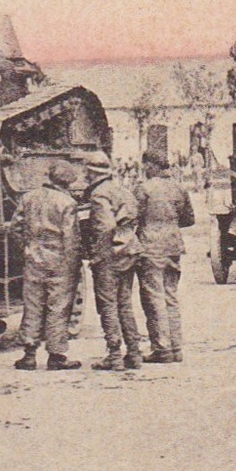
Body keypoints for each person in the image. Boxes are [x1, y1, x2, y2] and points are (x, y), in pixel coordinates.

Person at [13, 160, 83, 371]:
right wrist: (74, 263)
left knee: (32, 305)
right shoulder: (67, 203)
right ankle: (56, 355)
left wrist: (27, 248)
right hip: (59, 261)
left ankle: (29, 354)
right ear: (67, 182)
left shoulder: (28, 198)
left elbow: (16, 228)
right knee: (58, 308)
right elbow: (71, 238)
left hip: (33, 258)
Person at [82, 151, 143, 371]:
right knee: (125, 304)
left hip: (110, 255)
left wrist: (98, 254)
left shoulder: (99, 194)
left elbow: (106, 227)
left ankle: (115, 355)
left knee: (107, 305)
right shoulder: (122, 190)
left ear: (90, 171)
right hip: (129, 252)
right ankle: (134, 354)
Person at [136, 151, 195, 363]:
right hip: (173, 246)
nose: (144, 170)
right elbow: (189, 219)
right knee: (171, 296)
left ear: (151, 166)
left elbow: (134, 216)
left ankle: (162, 348)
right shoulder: (179, 187)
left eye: (146, 166)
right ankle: (176, 347)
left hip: (151, 246)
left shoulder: (144, 189)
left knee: (154, 298)